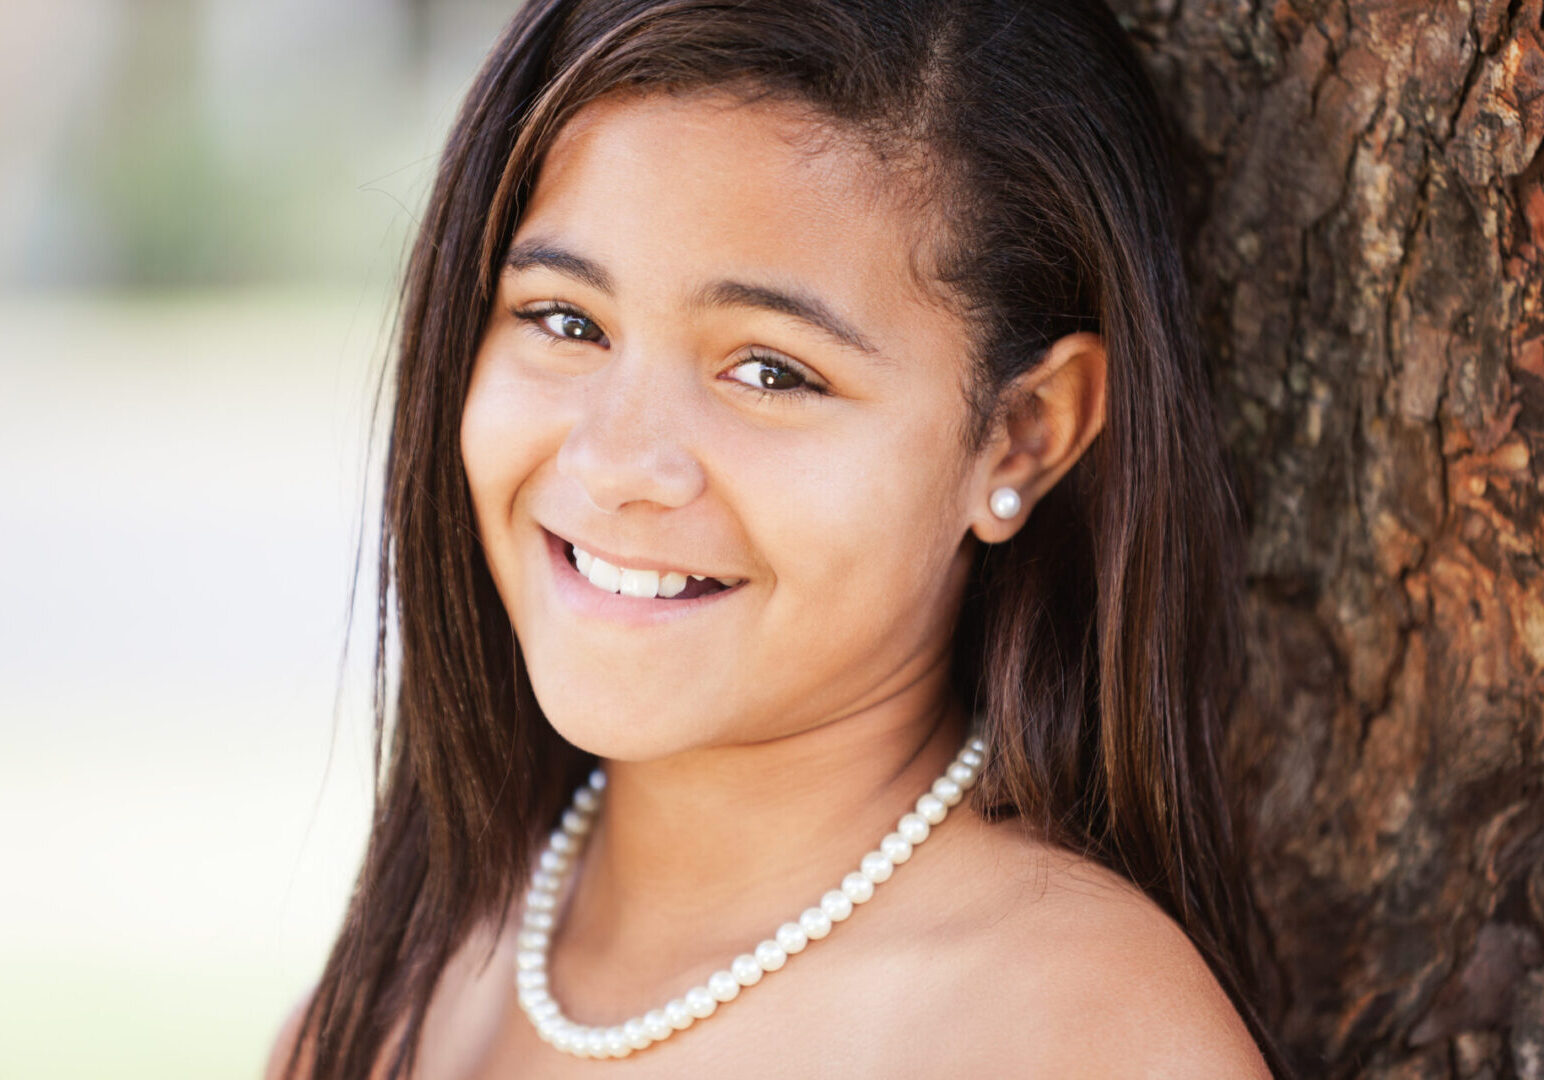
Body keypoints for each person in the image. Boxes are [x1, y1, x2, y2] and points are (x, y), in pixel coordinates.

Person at [267, 0, 1295, 1075]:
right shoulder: (388, 1010)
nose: (615, 463)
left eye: (769, 371)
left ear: (1018, 439)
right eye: (565, 320)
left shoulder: (1071, 1034)